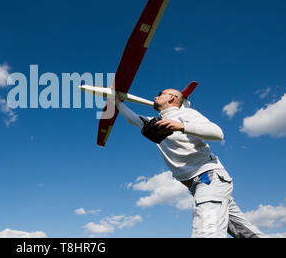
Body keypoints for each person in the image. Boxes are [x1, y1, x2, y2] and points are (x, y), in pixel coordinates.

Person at [112, 88, 264, 238]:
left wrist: (181, 126)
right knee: (246, 233)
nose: (155, 96)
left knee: (206, 231)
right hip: (198, 186)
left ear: (172, 98)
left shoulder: (186, 114)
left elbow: (218, 133)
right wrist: (117, 103)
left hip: (209, 179)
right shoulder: (155, 123)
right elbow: (133, 119)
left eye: (160, 94)